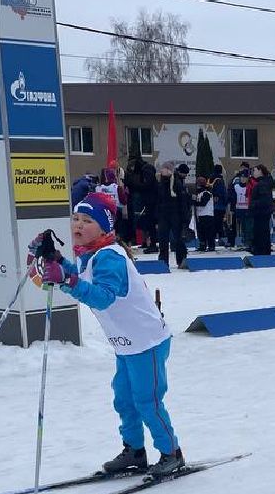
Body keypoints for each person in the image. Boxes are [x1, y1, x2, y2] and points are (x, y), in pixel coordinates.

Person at [33, 194, 183, 478]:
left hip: (146, 341)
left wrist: (67, 280)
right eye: (76, 218)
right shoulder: (90, 255)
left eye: (88, 221)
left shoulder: (110, 257)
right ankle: (134, 451)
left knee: (147, 401)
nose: (78, 225)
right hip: (125, 343)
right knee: (124, 399)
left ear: (104, 228)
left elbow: (102, 297)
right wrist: (56, 259)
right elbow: (81, 277)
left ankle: (171, 452)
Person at [247, 164, 275, 255]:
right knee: (264, 232)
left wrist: (253, 204)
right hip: (263, 212)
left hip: (260, 212)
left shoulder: (262, 184)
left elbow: (264, 199)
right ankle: (264, 250)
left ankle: (260, 251)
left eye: (255, 170)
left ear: (260, 171)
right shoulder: (264, 182)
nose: (253, 173)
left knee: (260, 232)